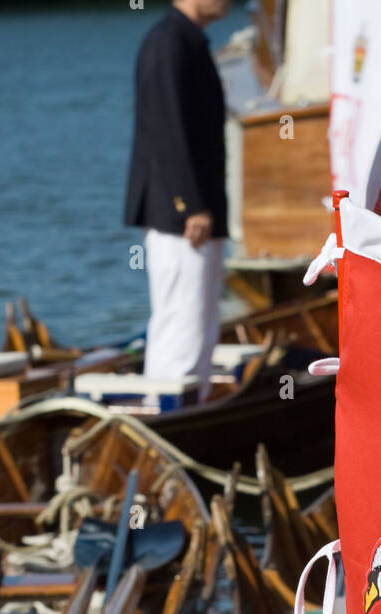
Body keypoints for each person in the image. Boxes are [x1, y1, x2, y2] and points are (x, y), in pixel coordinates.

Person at [125, 1, 231, 399]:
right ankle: (170, 418)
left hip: (195, 211)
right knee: (181, 324)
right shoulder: (169, 42)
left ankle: (193, 409)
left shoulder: (186, 40)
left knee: (200, 322)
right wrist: (190, 204)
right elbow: (167, 132)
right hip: (183, 216)